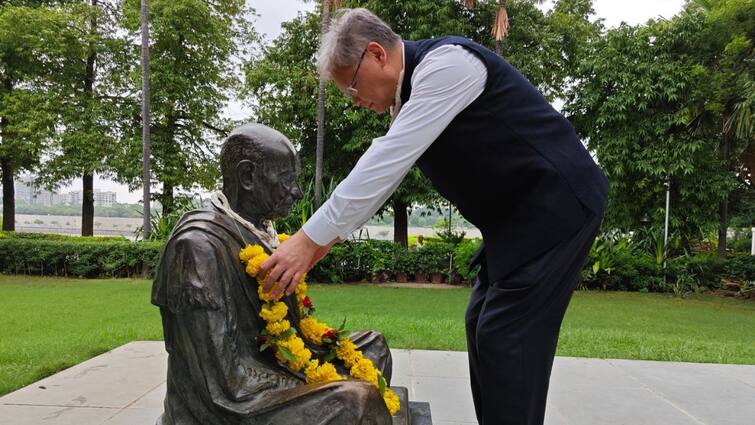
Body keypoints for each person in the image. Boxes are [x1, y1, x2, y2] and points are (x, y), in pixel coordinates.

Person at [259, 8, 609, 425]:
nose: (355, 101)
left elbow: (384, 164)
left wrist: (307, 239)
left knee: (505, 338)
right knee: (482, 324)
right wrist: (317, 249)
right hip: (516, 221)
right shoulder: (411, 95)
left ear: (376, 55)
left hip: (558, 205)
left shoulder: (448, 66)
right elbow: (381, 178)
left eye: (352, 86)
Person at [152, 123, 393, 425]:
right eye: (286, 179)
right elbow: (223, 383)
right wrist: (314, 383)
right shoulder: (197, 246)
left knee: (374, 349)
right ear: (248, 176)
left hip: (274, 365)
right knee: (358, 401)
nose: (296, 192)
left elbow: (292, 335)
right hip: (232, 401)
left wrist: (317, 373)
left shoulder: (259, 230)